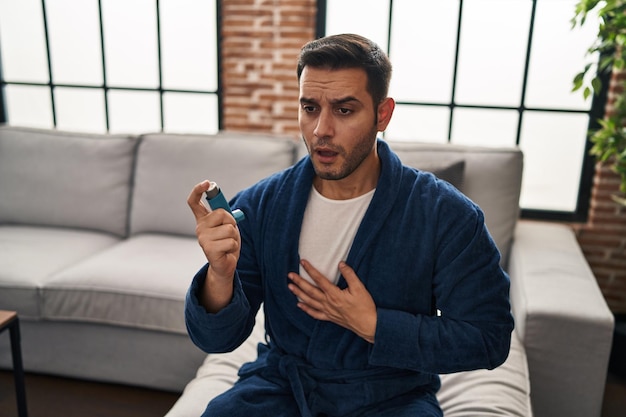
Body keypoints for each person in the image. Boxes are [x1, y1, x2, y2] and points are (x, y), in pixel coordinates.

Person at [185, 33, 514, 417]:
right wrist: (220, 276)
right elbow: (216, 338)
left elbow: (488, 338)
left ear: (383, 114)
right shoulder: (261, 206)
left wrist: (376, 325)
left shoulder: (446, 215)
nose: (321, 129)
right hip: (283, 387)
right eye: (310, 108)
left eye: (344, 110)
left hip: (392, 396)